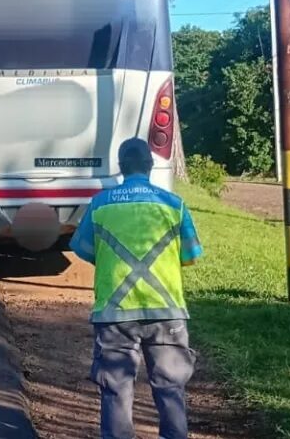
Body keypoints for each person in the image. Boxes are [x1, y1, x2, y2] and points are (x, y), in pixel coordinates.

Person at [69, 137, 203, 439]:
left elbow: (85, 250)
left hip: (114, 313)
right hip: (167, 312)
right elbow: (191, 256)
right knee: (171, 388)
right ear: (151, 165)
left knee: (116, 389)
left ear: (120, 167)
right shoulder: (174, 206)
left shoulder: (100, 204)